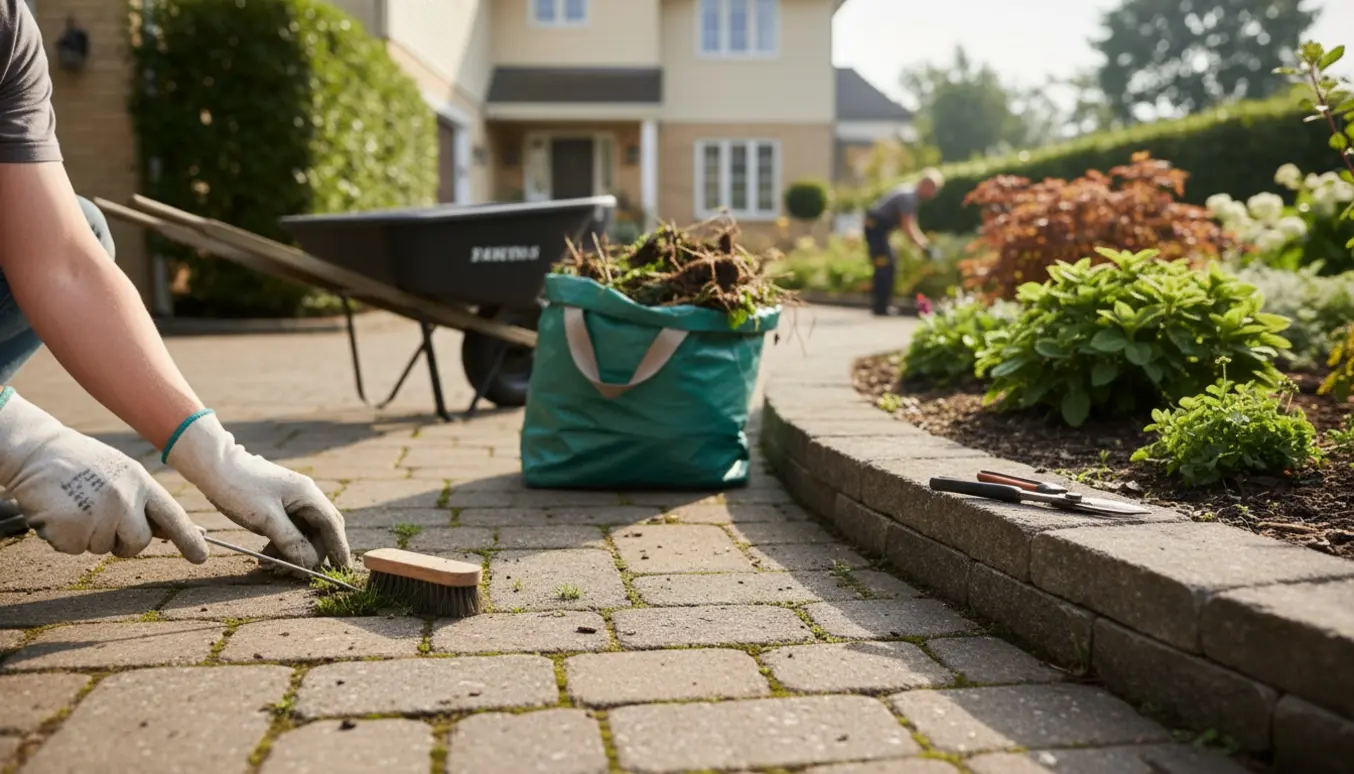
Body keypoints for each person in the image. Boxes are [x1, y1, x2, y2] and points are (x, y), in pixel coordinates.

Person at [0, 0, 351, 570]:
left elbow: (61, 264)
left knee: (80, 226)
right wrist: (18, 440)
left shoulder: (7, 27)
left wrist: (218, 460)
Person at [862, 169, 944, 316]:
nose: (934, 194)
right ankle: (880, 307)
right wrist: (925, 247)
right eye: (934, 190)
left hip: (879, 232)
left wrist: (923, 244)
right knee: (884, 266)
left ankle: (882, 305)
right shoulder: (908, 197)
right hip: (875, 231)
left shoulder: (910, 194)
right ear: (926, 185)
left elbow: (910, 224)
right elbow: (908, 227)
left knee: (889, 264)